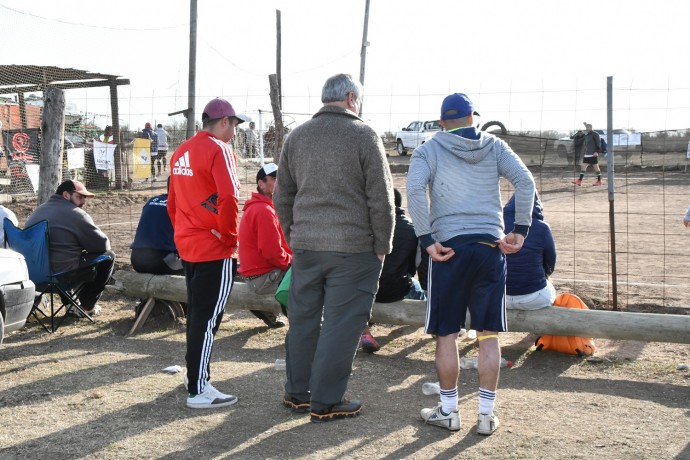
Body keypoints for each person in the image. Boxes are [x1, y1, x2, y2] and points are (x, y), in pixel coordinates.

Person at [407, 92, 535, 435]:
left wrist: (426, 238)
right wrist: (520, 230)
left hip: (448, 249)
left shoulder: (428, 149)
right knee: (488, 335)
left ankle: (449, 410)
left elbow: (415, 189)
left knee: (446, 334)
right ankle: (486, 415)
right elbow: (524, 181)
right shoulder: (494, 145)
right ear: (472, 118)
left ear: (443, 121)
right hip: (489, 247)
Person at [274, 73, 395, 422]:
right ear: (352, 98)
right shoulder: (363, 135)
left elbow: (282, 195)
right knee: (342, 325)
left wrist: (292, 235)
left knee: (303, 321)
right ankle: (326, 401)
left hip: (307, 247)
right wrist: (383, 245)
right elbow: (381, 198)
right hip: (353, 248)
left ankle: (297, 392)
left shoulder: (297, 136)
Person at [167, 97, 247, 409]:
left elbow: (172, 202)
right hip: (213, 246)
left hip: (189, 243)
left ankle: (194, 377)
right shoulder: (219, 149)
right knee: (207, 316)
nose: (237, 131)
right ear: (224, 121)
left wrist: (183, 232)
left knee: (199, 314)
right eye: (236, 124)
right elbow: (229, 196)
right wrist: (229, 237)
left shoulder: (182, 150)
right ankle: (199, 389)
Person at [25, 180, 116, 317]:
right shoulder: (76, 214)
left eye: (84, 198)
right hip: (61, 277)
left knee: (60, 258)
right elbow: (102, 245)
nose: (83, 201)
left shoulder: (39, 210)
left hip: (33, 277)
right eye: (79, 197)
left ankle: (71, 304)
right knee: (108, 256)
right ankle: (86, 306)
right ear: (66, 195)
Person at [361, 188, 426, 353]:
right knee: (418, 289)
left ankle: (365, 326)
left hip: (367, 290)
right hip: (396, 288)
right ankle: (428, 324)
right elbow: (415, 265)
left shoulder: (367, 226)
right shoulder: (412, 228)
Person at [238, 163, 291, 328]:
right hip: (262, 278)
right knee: (309, 278)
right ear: (261, 184)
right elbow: (272, 253)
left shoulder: (264, 208)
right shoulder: (264, 211)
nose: (279, 181)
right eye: (274, 178)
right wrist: (294, 262)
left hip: (259, 274)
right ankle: (304, 326)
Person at [503, 192, 556, 310]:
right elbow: (550, 264)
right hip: (534, 298)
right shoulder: (542, 227)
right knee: (550, 288)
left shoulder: (497, 224)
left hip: (499, 297)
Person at [130, 178, 181, 275]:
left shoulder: (152, 200)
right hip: (162, 261)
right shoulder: (180, 205)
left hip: (136, 260)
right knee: (196, 265)